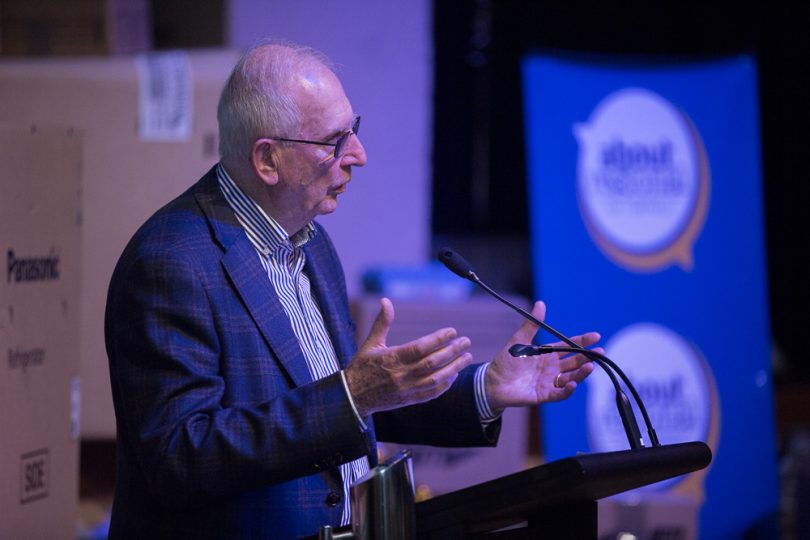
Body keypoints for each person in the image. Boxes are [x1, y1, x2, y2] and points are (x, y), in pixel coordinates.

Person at [104, 40, 598, 539]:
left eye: (353, 130)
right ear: (268, 160)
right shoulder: (171, 262)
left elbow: (349, 407)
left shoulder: (312, 245)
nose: (357, 156)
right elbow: (181, 459)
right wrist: (353, 394)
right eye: (333, 141)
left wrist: (485, 389)